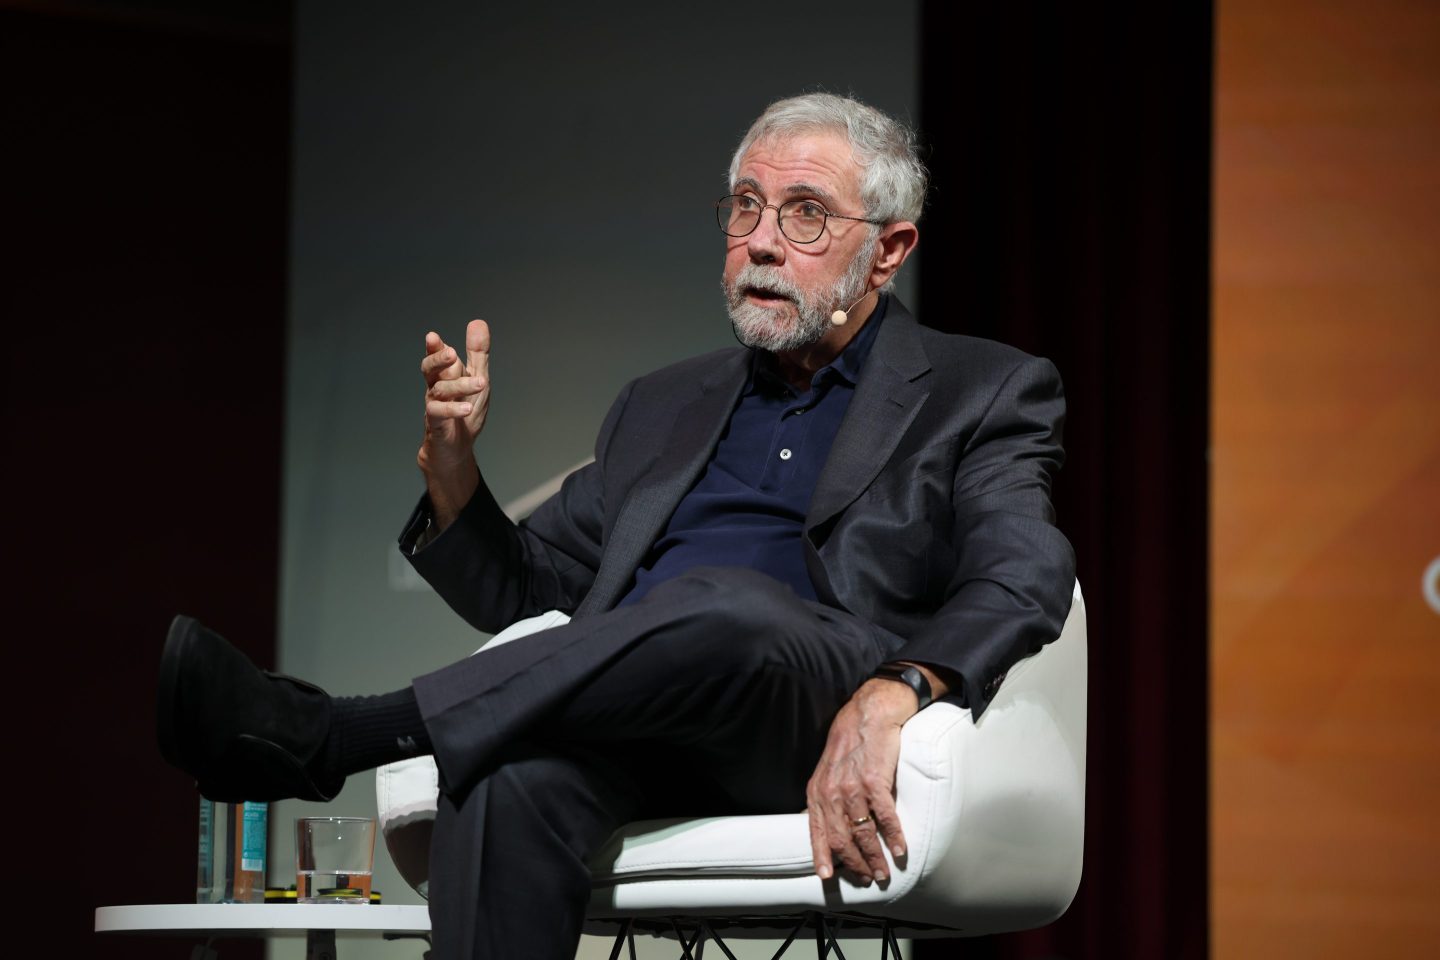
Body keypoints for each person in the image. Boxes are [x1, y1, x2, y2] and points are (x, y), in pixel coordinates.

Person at [157, 92, 1076, 959]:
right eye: (745, 207)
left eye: (804, 216)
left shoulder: (979, 389)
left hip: (811, 704)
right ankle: (335, 743)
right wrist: (453, 472)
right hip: (656, 719)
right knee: (505, 781)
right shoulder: (664, 402)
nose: (760, 243)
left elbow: (1021, 574)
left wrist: (895, 691)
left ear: (887, 250)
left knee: (724, 604)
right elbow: (530, 587)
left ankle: (336, 736)